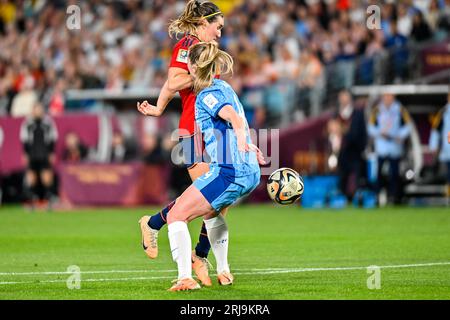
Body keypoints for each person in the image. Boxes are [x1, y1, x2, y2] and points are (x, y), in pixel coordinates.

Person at [138, 42, 265, 291]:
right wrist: (248, 143)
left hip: (229, 173)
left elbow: (232, 116)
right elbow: (234, 116)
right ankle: (222, 268)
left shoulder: (206, 95)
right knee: (212, 212)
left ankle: (185, 277)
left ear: (192, 66)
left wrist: (241, 137)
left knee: (177, 216)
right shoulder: (224, 86)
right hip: (250, 172)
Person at [136, 0, 224, 287]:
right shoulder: (187, 46)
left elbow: (173, 83)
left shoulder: (208, 51)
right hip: (192, 130)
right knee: (209, 197)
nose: (220, 33)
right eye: (217, 27)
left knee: (221, 201)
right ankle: (198, 256)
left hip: (215, 130)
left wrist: (160, 108)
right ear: (203, 24)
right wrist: (164, 105)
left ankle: (154, 223)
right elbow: (174, 80)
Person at [368, 93, 412, 205]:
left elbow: (408, 125)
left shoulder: (400, 109)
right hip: (382, 146)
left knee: (394, 174)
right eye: (385, 97)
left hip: (394, 146)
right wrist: (379, 133)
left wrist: (400, 135)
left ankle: (394, 197)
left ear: (393, 98)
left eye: (390, 97)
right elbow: (370, 127)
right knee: (378, 174)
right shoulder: (377, 110)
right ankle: (377, 196)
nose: (387, 99)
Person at [327, 90, 367, 202]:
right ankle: (343, 197)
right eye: (341, 96)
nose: (343, 99)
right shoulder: (336, 114)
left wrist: (362, 147)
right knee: (342, 175)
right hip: (342, 150)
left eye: (345, 96)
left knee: (357, 175)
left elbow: (360, 132)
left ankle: (358, 197)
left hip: (355, 149)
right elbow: (331, 131)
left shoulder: (357, 113)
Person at [20, 102, 58, 208]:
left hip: (44, 152)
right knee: (32, 176)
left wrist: (51, 152)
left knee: (46, 175)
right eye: (36, 109)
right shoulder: (28, 123)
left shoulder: (48, 123)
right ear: (33, 110)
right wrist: (26, 153)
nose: (38, 111)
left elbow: (52, 138)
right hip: (32, 153)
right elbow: (24, 139)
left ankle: (48, 198)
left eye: (40, 109)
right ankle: (32, 198)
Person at [429, 92, 450, 197]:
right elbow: (435, 130)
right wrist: (433, 146)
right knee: (449, 175)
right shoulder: (443, 112)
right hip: (447, 149)